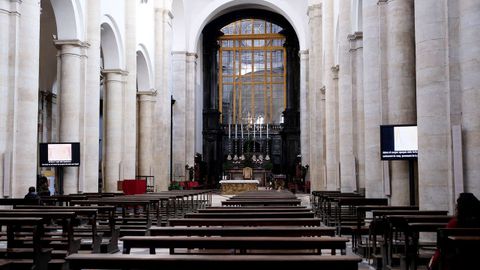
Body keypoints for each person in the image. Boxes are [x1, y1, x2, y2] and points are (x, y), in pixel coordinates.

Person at [427, 192, 480, 270]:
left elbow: (442, 248)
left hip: (457, 264)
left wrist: (432, 263)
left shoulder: (454, 224)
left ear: (459, 208)